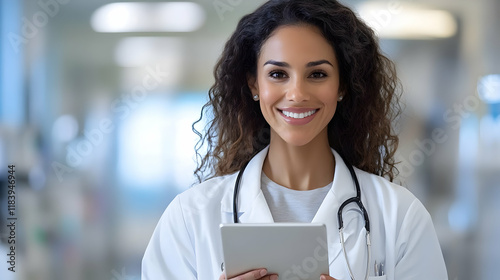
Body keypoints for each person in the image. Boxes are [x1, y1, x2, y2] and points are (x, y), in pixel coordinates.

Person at [141, 0, 448, 279]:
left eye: (317, 74)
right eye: (278, 74)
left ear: (342, 85)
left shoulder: (400, 216)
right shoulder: (190, 217)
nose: (297, 94)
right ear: (253, 84)